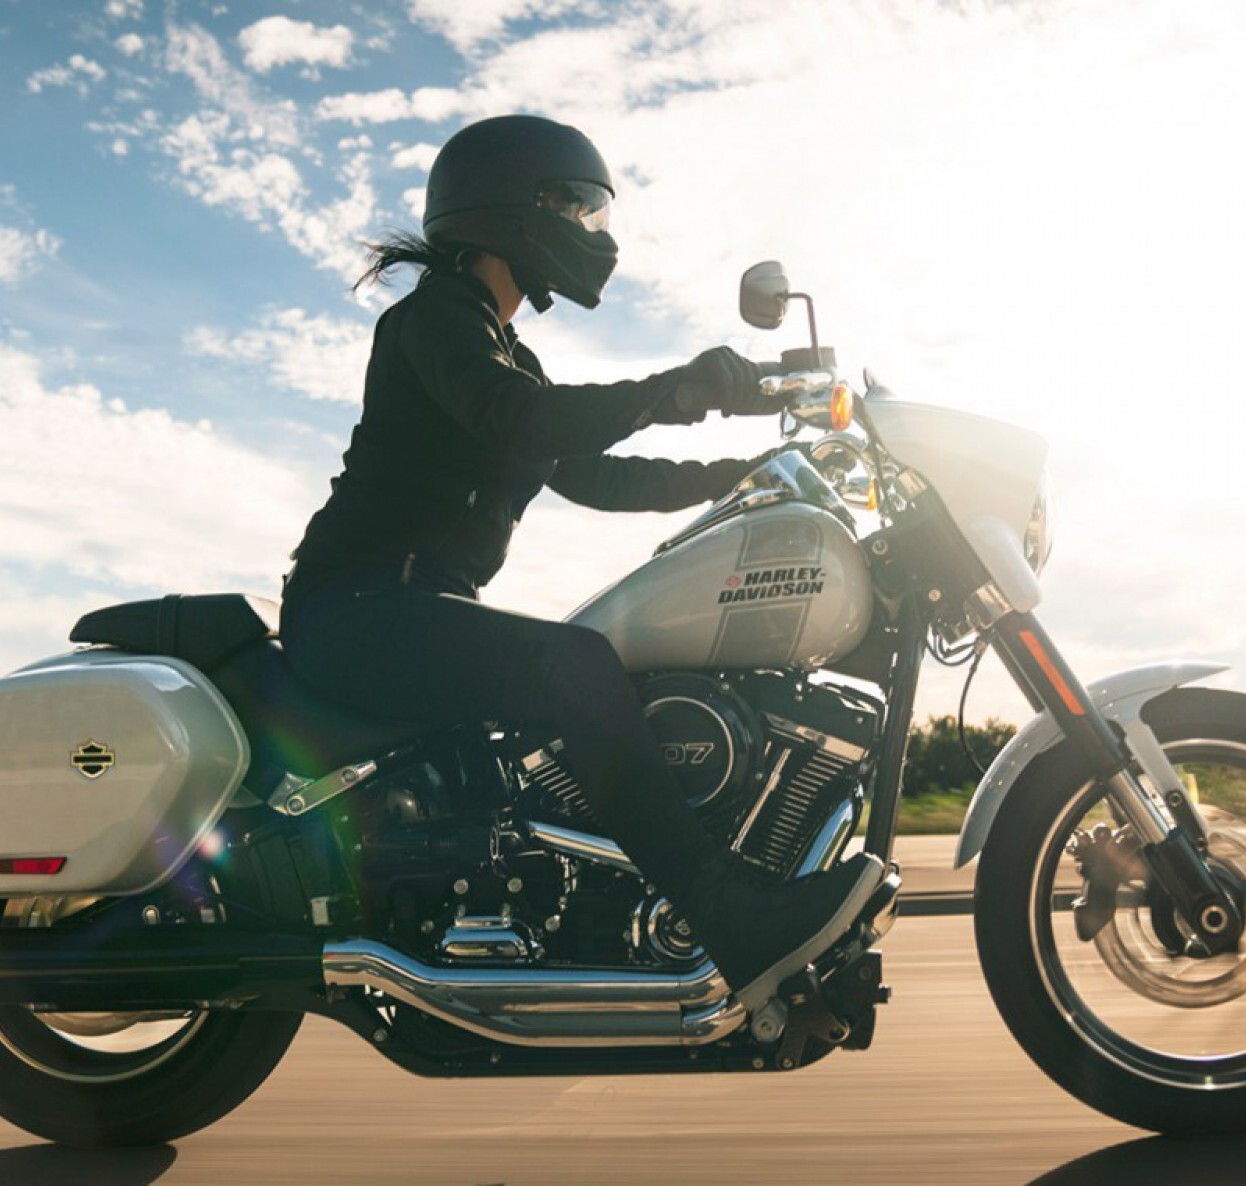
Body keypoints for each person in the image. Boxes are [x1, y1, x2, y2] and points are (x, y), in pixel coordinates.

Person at [281, 114, 883, 1012]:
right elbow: (530, 424)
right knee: (576, 663)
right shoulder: (434, 322)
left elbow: (596, 476)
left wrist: (742, 473)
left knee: (588, 665)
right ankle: (733, 918)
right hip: (358, 612)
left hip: (406, 610)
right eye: (580, 209)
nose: (594, 233)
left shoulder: (500, 348)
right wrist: (680, 391)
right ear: (514, 211)